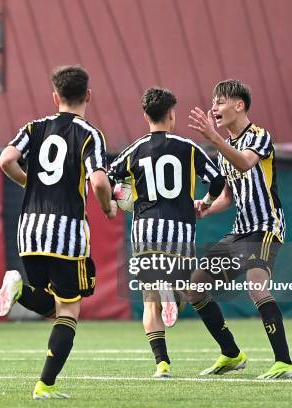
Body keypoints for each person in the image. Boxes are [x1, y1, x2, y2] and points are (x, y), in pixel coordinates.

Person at [0, 65, 116, 399]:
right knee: (70, 311)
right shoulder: (89, 133)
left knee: (54, 306)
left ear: (55, 96)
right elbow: (100, 180)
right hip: (66, 232)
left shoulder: (35, 127)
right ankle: (44, 386)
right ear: (88, 96)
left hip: (29, 230)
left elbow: (6, 159)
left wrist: (29, 182)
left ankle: (18, 290)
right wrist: (106, 206)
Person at [108, 87, 224, 378]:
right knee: (185, 293)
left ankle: (162, 364)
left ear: (145, 115)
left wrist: (121, 198)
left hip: (145, 230)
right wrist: (206, 203)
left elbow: (108, 178)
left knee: (150, 303)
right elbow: (218, 180)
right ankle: (170, 292)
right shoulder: (188, 147)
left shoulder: (134, 149)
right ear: (172, 114)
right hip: (180, 230)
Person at [188, 79, 292, 379]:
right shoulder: (225, 148)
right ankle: (231, 354)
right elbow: (229, 194)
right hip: (240, 231)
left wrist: (213, 138)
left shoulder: (259, 136)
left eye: (220, 101)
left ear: (239, 105)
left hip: (265, 226)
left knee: (255, 282)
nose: (214, 107)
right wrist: (206, 206)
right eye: (213, 102)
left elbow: (246, 164)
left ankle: (285, 363)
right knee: (195, 288)